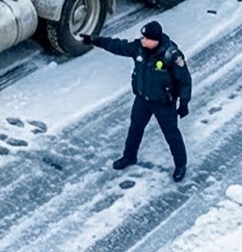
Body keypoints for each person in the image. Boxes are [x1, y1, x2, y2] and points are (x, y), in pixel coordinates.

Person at [82, 20, 192, 182]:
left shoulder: (171, 55)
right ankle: (129, 156)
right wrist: (95, 40)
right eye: (142, 37)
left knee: (171, 134)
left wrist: (183, 103)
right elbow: (117, 46)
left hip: (163, 103)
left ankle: (180, 165)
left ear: (156, 40)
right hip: (142, 99)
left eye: (146, 38)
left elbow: (184, 80)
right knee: (135, 128)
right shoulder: (138, 48)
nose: (143, 40)